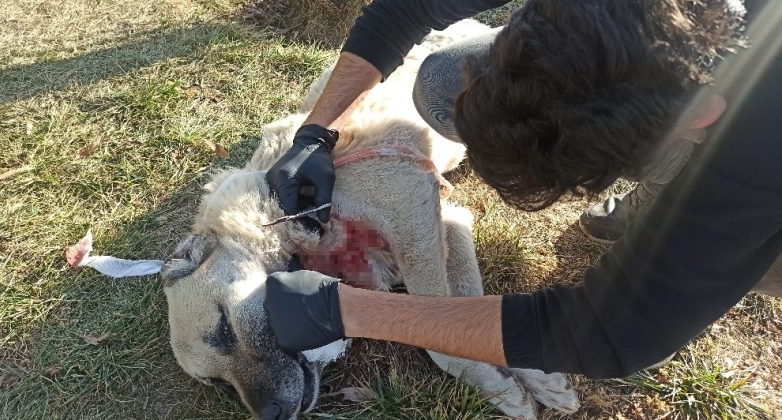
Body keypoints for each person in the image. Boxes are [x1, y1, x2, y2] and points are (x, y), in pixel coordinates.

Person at [263, 0, 781, 378]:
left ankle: (681, 208)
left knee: (755, 260)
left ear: (701, 115)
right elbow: (401, 9)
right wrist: (314, 134)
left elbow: (613, 333)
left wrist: (345, 310)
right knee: (444, 84)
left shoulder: (762, 135)